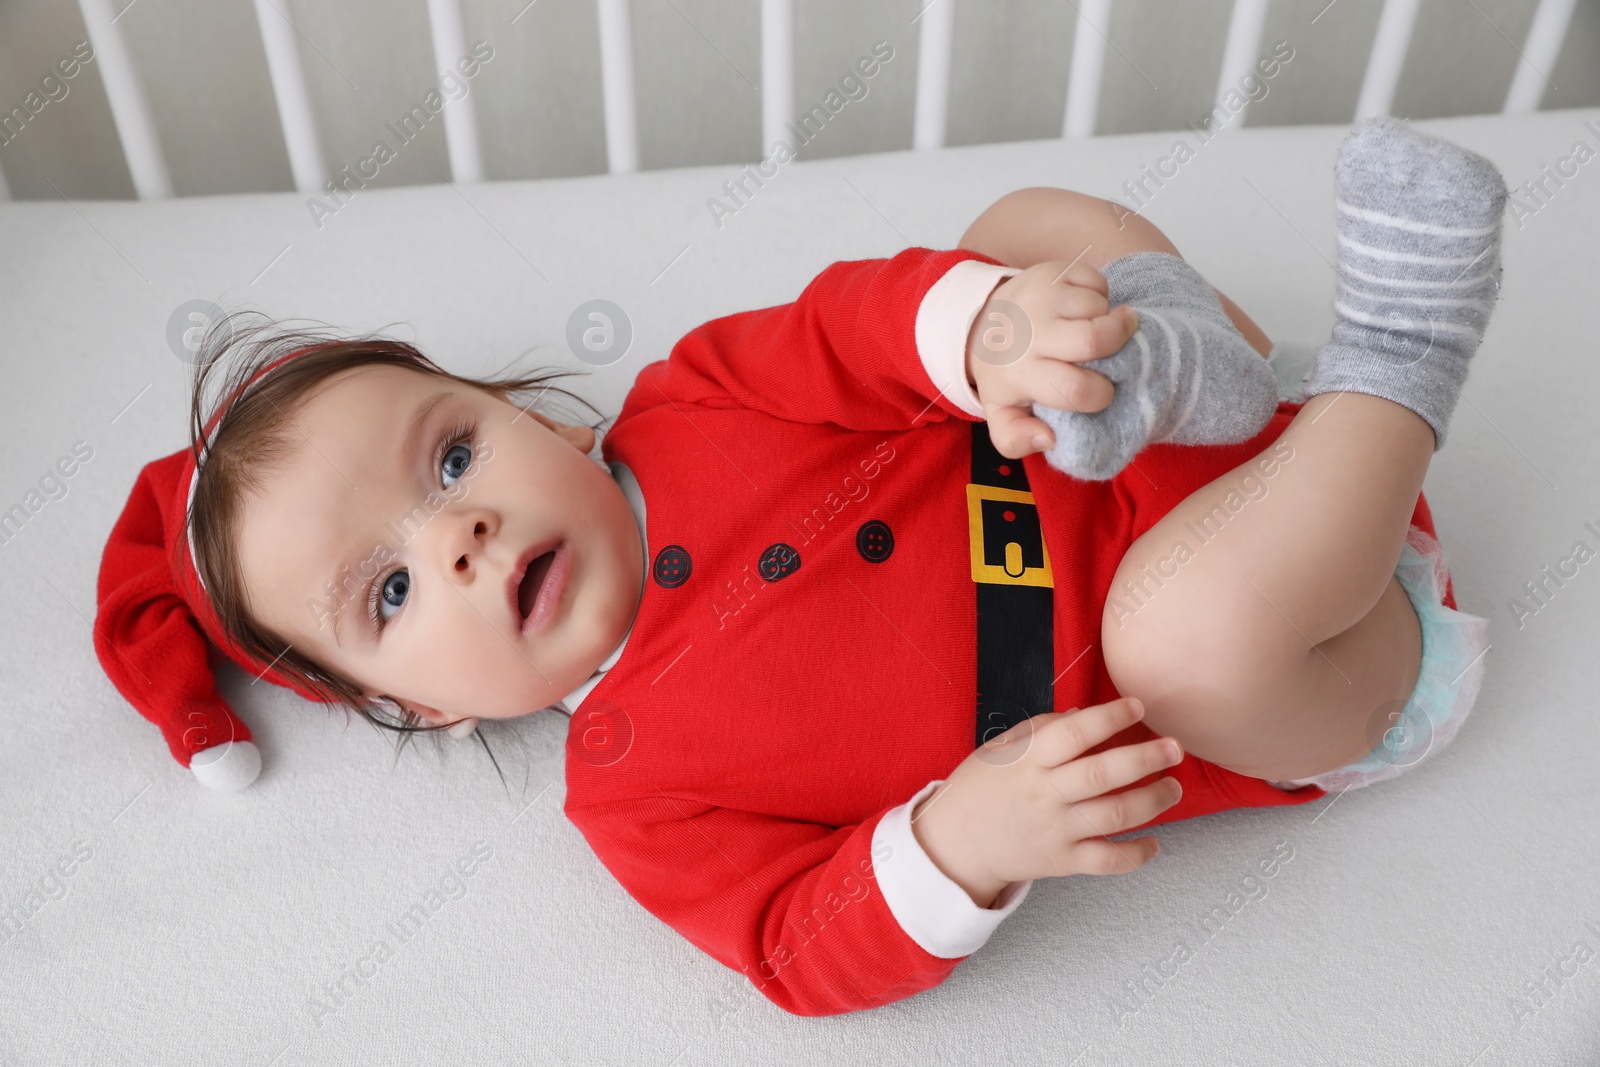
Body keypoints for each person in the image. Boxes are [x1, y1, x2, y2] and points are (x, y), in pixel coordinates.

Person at [93, 117, 1499, 1016]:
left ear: (527, 414)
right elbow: (789, 945)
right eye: (391, 595)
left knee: (1024, 225)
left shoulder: (690, 396)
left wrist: (994, 336)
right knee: (1175, 635)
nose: (453, 537)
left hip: (1171, 439)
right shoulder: (636, 791)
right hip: (1309, 654)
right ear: (423, 708)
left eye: (452, 459)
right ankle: (1399, 367)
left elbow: (848, 327)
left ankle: (1217, 381)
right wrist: (958, 843)